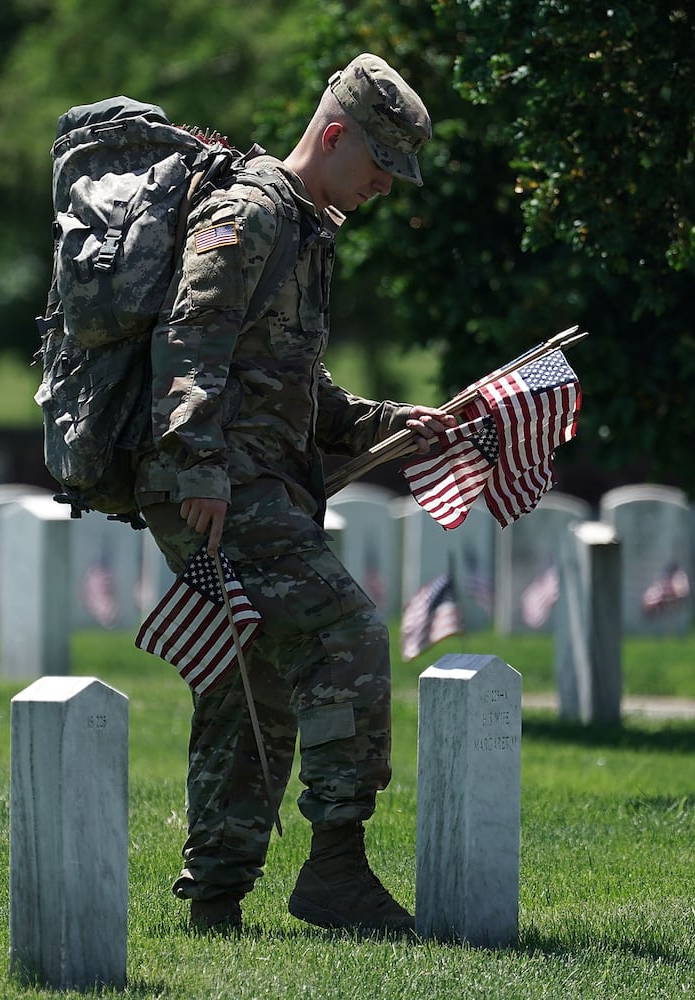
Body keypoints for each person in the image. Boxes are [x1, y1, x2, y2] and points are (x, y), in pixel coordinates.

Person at [133, 53, 453, 934]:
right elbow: (188, 337)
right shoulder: (251, 211)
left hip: (253, 478)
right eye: (379, 164)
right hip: (217, 483)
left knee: (253, 682)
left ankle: (216, 896)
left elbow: (286, 379)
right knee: (341, 629)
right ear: (337, 133)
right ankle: (337, 866)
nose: (386, 186)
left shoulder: (306, 229)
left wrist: (385, 420)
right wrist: (198, 464)